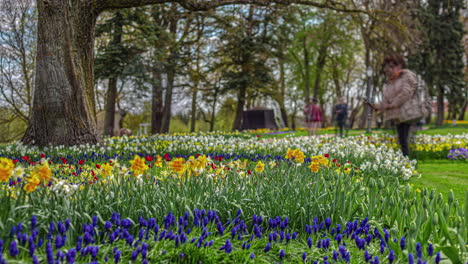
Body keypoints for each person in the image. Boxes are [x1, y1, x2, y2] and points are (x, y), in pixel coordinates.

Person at [373, 53, 417, 157]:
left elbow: (406, 93)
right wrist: (379, 106)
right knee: (401, 140)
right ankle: (404, 161)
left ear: (398, 67)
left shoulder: (407, 76)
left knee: (404, 139)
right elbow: (387, 99)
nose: (387, 72)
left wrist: (391, 104)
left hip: (407, 112)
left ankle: (407, 162)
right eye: (386, 70)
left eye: (390, 69)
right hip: (397, 115)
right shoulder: (391, 81)